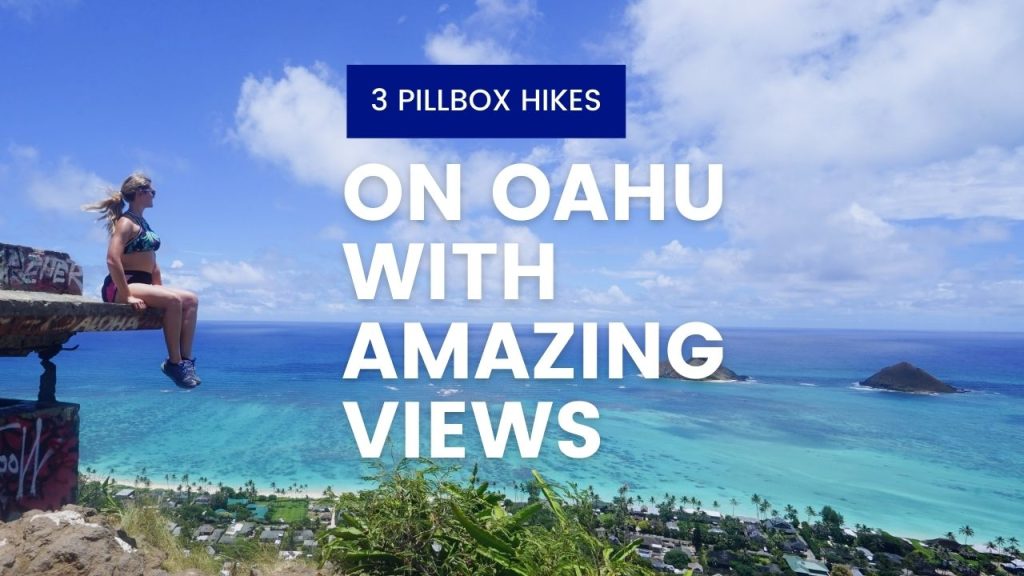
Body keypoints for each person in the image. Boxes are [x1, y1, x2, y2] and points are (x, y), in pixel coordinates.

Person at [84, 173, 202, 389]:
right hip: (122, 284)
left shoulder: (143, 222)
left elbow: (153, 262)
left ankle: (185, 361)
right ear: (140, 193)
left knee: (191, 300)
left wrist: (158, 289)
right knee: (174, 301)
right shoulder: (126, 223)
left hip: (143, 284)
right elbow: (112, 259)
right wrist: (127, 295)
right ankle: (173, 363)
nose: (154, 195)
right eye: (152, 192)